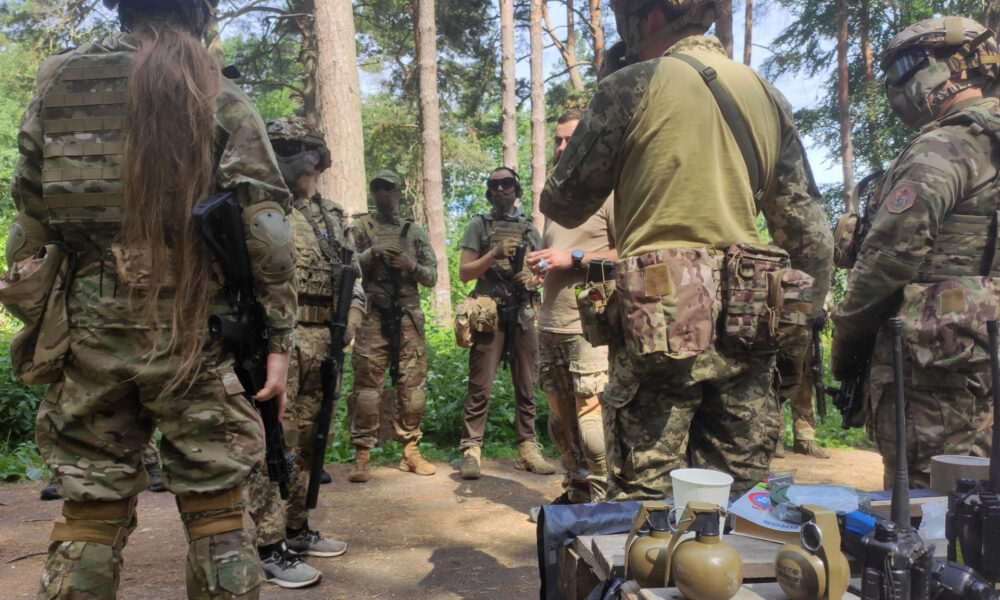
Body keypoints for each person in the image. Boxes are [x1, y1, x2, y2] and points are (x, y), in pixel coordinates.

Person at [3, 0, 297, 596]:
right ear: (199, 13)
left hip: (89, 327)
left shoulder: (59, 83)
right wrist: (280, 338)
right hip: (195, 328)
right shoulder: (216, 90)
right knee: (216, 514)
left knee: (88, 513)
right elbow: (267, 234)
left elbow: (29, 220)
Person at [540, 0, 833, 500]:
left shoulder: (630, 85)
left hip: (661, 321)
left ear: (650, 18)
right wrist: (797, 334)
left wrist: (611, 96)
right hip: (749, 318)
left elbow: (563, 202)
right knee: (740, 504)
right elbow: (810, 238)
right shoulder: (766, 93)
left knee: (649, 503)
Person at [832, 16, 1000, 489]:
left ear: (962, 67)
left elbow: (887, 261)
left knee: (932, 514)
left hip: (942, 380)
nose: (895, 84)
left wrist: (845, 345)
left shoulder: (945, 146)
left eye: (908, 65)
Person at [244, 115, 365, 588]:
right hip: (280, 343)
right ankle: (269, 545)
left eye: (310, 149)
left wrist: (353, 316)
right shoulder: (262, 208)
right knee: (278, 442)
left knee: (314, 439)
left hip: (326, 341)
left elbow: (354, 277)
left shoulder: (332, 216)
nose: (306, 160)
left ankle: (296, 529)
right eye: (291, 148)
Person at [526, 110, 617, 504]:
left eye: (569, 140)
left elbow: (628, 253)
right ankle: (575, 491)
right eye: (557, 140)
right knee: (559, 421)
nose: (561, 147)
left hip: (591, 324)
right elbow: (557, 256)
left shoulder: (611, 192)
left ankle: (601, 498)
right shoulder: (556, 200)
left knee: (590, 421)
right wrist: (542, 269)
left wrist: (574, 258)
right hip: (551, 322)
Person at [457, 167, 555, 479]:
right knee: (480, 384)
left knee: (527, 383)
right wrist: (494, 254)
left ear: (516, 188)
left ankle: (527, 447)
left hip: (523, 310)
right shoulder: (478, 224)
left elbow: (542, 273)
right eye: (494, 185)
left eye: (506, 183)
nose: (500, 189)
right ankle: (471, 449)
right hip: (488, 312)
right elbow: (464, 271)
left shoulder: (529, 228)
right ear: (489, 191)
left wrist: (532, 279)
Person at [346, 170, 439, 483]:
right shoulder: (361, 228)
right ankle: (362, 455)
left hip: (408, 318)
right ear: (373, 194)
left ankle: (410, 451)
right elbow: (345, 267)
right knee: (366, 391)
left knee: (412, 390)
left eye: (389, 189)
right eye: (378, 189)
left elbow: (432, 276)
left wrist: (409, 265)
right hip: (373, 316)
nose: (384, 194)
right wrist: (369, 255)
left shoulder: (414, 232)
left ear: (400, 193)